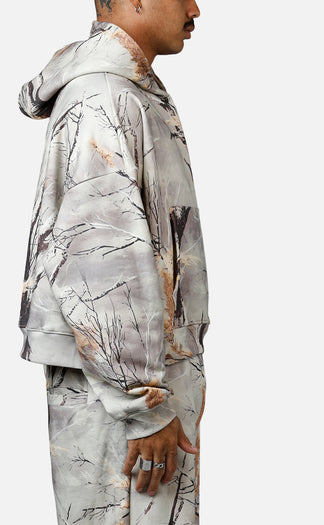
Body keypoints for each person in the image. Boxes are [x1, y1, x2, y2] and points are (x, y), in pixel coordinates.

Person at [17, 1, 210, 523]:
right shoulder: (104, 94)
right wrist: (143, 407)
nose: (195, 7)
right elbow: (98, 259)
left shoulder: (127, 91)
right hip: (123, 391)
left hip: (138, 379)